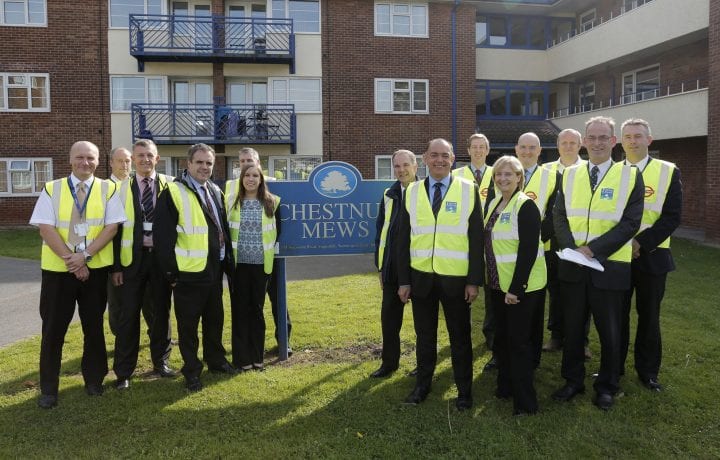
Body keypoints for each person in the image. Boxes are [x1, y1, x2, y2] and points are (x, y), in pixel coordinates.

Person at [552, 116, 644, 411]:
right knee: (573, 329)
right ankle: (573, 381)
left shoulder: (630, 175)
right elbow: (559, 216)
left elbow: (631, 223)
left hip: (610, 268)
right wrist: (573, 250)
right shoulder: (568, 174)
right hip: (574, 267)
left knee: (610, 331)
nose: (597, 142)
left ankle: (607, 386)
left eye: (603, 137)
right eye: (592, 137)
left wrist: (593, 250)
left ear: (613, 141)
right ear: (584, 141)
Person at [29, 141, 125, 408]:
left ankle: (94, 381)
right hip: (58, 272)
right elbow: (45, 229)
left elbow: (112, 228)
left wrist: (85, 257)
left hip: (94, 271)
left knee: (93, 328)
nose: (86, 163)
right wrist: (74, 262)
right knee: (52, 330)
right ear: (70, 160)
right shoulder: (53, 188)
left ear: (98, 161)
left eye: (91, 158)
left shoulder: (109, 188)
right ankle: (49, 388)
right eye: (80, 157)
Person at [396, 138, 484, 411]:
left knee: (460, 338)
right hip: (421, 279)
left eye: (445, 155)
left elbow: (477, 238)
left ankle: (464, 391)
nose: (439, 160)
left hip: (456, 280)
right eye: (434, 155)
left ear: (453, 159)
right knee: (425, 337)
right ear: (424, 158)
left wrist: (473, 281)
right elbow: (402, 240)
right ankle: (422, 386)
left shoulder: (469, 190)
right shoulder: (410, 192)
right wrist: (403, 280)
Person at [154, 143, 237, 392]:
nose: (204, 167)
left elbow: (220, 228)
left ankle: (216, 361)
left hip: (214, 269)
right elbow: (163, 237)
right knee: (188, 327)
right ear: (188, 164)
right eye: (199, 162)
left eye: (208, 163)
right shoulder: (173, 191)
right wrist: (171, 273)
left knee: (215, 320)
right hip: (187, 273)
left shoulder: (214, 190)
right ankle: (191, 371)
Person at [620, 118, 682, 392]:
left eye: (638, 136)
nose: (633, 141)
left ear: (649, 140)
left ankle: (647, 372)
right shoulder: (613, 172)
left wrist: (640, 243)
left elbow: (671, 217)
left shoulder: (668, 171)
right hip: (617, 257)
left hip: (652, 256)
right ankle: (614, 367)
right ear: (621, 141)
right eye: (628, 136)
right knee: (616, 316)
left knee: (649, 316)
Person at [484, 155, 546, 416]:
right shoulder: (496, 203)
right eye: (499, 174)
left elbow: (529, 250)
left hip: (521, 288)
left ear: (520, 178)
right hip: (497, 284)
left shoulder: (525, 205)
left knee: (519, 343)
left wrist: (516, 288)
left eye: (509, 174)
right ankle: (505, 387)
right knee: (502, 340)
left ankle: (526, 403)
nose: (503, 178)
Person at [112, 139, 176, 390]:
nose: (145, 160)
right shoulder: (120, 189)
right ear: (133, 159)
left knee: (161, 313)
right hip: (131, 263)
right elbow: (114, 231)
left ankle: (161, 363)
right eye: (140, 156)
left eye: (149, 155)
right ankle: (124, 372)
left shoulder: (171, 185)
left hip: (160, 261)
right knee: (128, 317)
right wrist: (116, 266)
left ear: (157, 159)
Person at [237, 147, 292, 356]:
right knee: (249, 304)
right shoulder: (232, 190)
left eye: (249, 160)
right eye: (241, 162)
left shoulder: (272, 186)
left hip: (270, 255)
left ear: (259, 163)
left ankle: (284, 340)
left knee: (279, 300)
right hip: (245, 260)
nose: (245, 164)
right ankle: (247, 348)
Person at [225, 164, 281, 371]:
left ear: (261, 179)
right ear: (241, 179)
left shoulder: (272, 202)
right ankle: (242, 360)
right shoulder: (231, 202)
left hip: (261, 266)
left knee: (256, 311)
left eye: (255, 175)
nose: (250, 179)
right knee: (240, 312)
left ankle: (257, 358)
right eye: (247, 175)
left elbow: (278, 232)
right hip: (239, 267)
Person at [370, 149, 418, 378]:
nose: (401, 170)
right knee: (389, 321)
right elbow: (381, 232)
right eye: (397, 166)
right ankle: (389, 363)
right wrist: (380, 267)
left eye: (405, 165)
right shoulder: (388, 194)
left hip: (418, 268)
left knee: (423, 324)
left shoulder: (425, 191)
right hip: (391, 268)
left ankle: (423, 364)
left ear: (415, 166)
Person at [542, 129, 590, 354]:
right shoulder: (546, 170)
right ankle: (556, 336)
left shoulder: (589, 170)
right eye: (564, 142)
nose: (568, 146)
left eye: (573, 142)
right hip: (552, 243)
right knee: (556, 291)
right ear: (557, 145)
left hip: (580, 244)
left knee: (581, 294)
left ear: (580, 145)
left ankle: (582, 341)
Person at [514, 132, 561, 367]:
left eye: (532, 147)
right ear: (516, 149)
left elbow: (555, 215)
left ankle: (533, 356)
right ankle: (499, 350)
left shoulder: (553, 177)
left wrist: (531, 240)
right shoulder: (503, 173)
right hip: (508, 251)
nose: (527, 152)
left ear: (540, 151)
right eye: (523, 147)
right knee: (503, 303)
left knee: (535, 302)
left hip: (543, 250)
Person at [452, 134, 496, 371]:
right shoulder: (456, 175)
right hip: (464, 241)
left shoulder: (497, 172)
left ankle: (491, 336)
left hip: (491, 241)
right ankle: (461, 336)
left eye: (482, 147)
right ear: (467, 150)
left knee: (492, 291)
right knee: (463, 291)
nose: (478, 151)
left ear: (488, 150)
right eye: (474, 147)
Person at [106, 147, 139, 336]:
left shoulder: (138, 186)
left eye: (127, 160)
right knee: (117, 302)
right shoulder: (104, 188)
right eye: (120, 161)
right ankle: (120, 338)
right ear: (111, 163)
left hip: (138, 255)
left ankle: (156, 336)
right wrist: (114, 266)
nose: (125, 165)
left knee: (149, 301)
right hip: (113, 257)